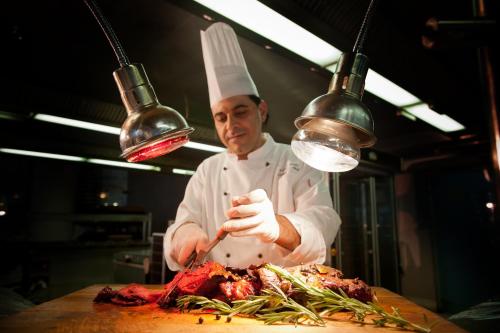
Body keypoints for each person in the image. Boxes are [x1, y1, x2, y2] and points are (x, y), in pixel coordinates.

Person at [164, 22, 341, 270]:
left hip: (283, 301)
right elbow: (183, 221)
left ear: (262, 110)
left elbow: (323, 223)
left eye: (240, 112)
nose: (230, 126)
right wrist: (185, 232)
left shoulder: (296, 159)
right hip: (221, 298)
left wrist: (276, 227)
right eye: (221, 117)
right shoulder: (208, 169)